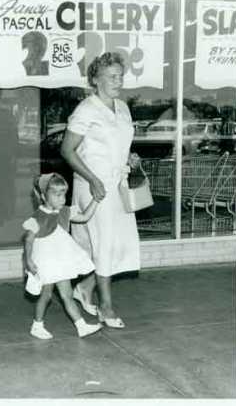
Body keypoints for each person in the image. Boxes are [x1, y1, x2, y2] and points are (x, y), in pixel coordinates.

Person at [61, 52, 141, 329]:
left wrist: (129, 157)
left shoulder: (123, 107)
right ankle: (105, 307)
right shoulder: (86, 110)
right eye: (111, 76)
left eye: (120, 76)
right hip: (93, 188)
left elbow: (119, 143)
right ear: (95, 80)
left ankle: (84, 289)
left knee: (117, 245)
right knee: (104, 244)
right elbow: (67, 150)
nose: (118, 81)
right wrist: (93, 179)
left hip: (116, 184)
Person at [23, 173, 102, 339]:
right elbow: (29, 240)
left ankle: (81, 326)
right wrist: (28, 260)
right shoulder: (38, 217)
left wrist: (95, 200)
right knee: (46, 295)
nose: (62, 199)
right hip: (46, 263)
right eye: (57, 195)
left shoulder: (65, 212)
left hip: (60, 263)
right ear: (44, 196)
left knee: (67, 295)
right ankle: (37, 325)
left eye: (64, 194)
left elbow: (85, 216)